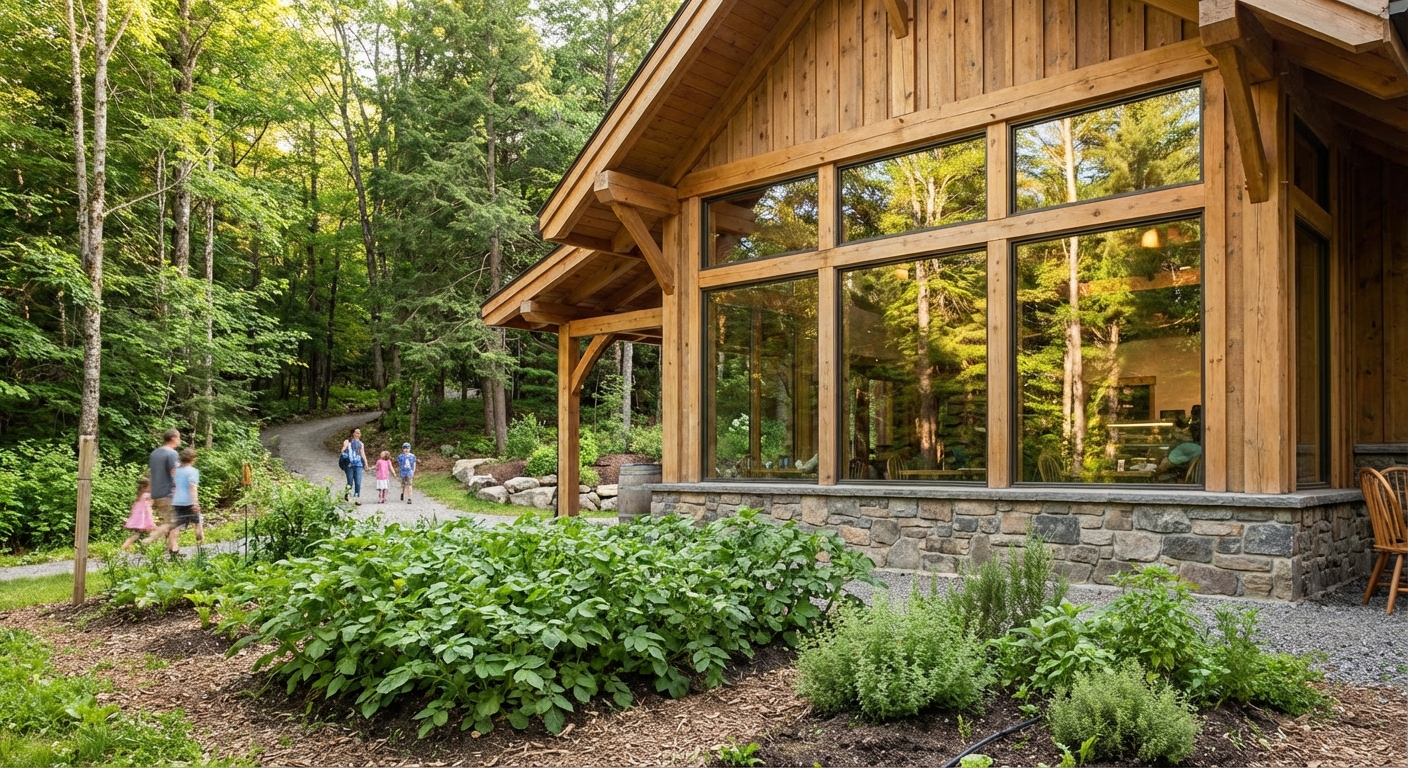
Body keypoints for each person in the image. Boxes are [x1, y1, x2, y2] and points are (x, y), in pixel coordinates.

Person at [143, 429, 181, 546]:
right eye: (179, 437)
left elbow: (151, 473)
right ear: (174, 438)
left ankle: (171, 550)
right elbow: (174, 472)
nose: (180, 440)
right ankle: (148, 540)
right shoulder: (172, 453)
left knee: (168, 520)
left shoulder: (154, 453)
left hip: (156, 493)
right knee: (174, 521)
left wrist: (149, 492)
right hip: (168, 492)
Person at [166, 448, 203, 559]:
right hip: (188, 502)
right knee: (197, 523)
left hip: (176, 501)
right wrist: (195, 503)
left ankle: (174, 552)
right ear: (193, 459)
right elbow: (192, 487)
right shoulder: (193, 471)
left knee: (175, 527)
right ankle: (201, 549)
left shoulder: (176, 471)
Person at [120, 477, 155, 551]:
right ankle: (145, 548)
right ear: (145, 487)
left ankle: (129, 546)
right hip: (143, 520)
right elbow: (147, 510)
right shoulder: (146, 495)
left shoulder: (139, 496)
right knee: (150, 533)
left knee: (138, 534)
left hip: (138, 520)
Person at [339, 428, 369, 504]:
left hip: (358, 464)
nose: (358, 434)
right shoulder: (347, 441)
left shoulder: (361, 444)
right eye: (356, 433)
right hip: (349, 464)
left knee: (358, 482)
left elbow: (362, 454)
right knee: (350, 482)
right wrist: (344, 451)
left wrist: (366, 463)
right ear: (353, 433)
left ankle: (357, 498)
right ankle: (347, 495)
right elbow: (343, 449)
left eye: (359, 433)